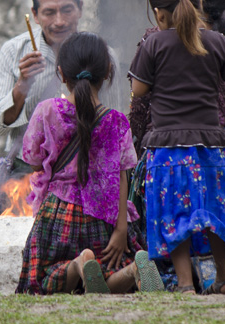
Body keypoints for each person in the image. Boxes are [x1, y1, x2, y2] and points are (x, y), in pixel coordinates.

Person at [129, 0, 225, 295]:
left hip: (168, 150)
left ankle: (184, 284)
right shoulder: (216, 41)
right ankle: (224, 280)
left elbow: (139, 90)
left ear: (159, 13)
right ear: (199, 4)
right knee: (216, 211)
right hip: (211, 147)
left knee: (173, 214)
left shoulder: (154, 44)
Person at [16, 32, 162, 295]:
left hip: (59, 213)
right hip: (105, 217)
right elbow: (122, 178)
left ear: (61, 74)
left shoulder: (47, 111)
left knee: (42, 279)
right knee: (112, 269)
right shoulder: (117, 121)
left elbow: (32, 158)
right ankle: (132, 270)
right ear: (108, 72)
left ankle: (78, 265)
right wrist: (120, 229)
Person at [0, 0, 123, 159]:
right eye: (49, 12)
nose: (59, 21)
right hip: (25, 171)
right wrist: (22, 86)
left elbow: (113, 124)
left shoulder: (103, 55)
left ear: (80, 8)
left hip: (83, 168)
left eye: (67, 10)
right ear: (35, 14)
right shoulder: (14, 51)